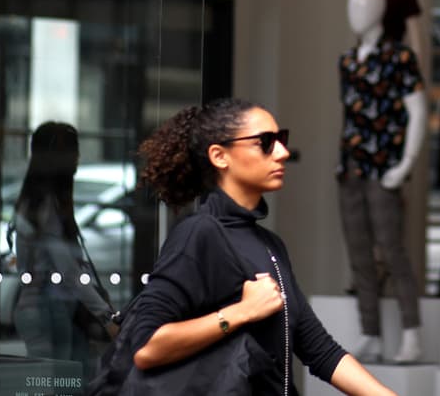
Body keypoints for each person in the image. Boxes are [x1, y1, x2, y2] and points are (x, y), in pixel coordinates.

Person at [129, 98, 399, 396]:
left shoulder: (270, 244)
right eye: (266, 143)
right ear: (220, 156)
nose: (282, 153)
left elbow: (320, 350)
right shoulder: (198, 233)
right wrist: (241, 312)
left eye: (282, 140)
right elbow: (146, 347)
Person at [337, 0, 426, 364]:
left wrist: (406, 163)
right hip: (350, 167)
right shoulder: (347, 61)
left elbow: (418, 110)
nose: (355, 13)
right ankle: (370, 332)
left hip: (384, 166)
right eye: (352, 6)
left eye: (362, 6)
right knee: (359, 254)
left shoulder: (400, 57)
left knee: (393, 251)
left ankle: (412, 333)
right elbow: (350, 114)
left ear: (379, 11)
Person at [12, 122, 118, 380]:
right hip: (48, 309)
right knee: (60, 382)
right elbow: (68, 271)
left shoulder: (35, 202)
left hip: (43, 307)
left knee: (62, 380)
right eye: (73, 152)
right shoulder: (46, 206)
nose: (77, 160)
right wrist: (106, 317)